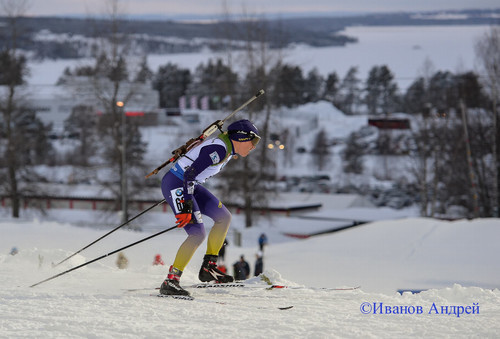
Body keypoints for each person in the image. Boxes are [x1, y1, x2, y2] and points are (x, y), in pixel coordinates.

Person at [159, 119, 261, 296]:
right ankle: (171, 280)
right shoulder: (219, 149)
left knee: (224, 217)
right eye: (252, 142)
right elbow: (189, 173)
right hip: (178, 183)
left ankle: (209, 266)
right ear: (241, 139)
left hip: (190, 184)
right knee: (197, 233)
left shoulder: (227, 148)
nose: (253, 147)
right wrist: (186, 205)